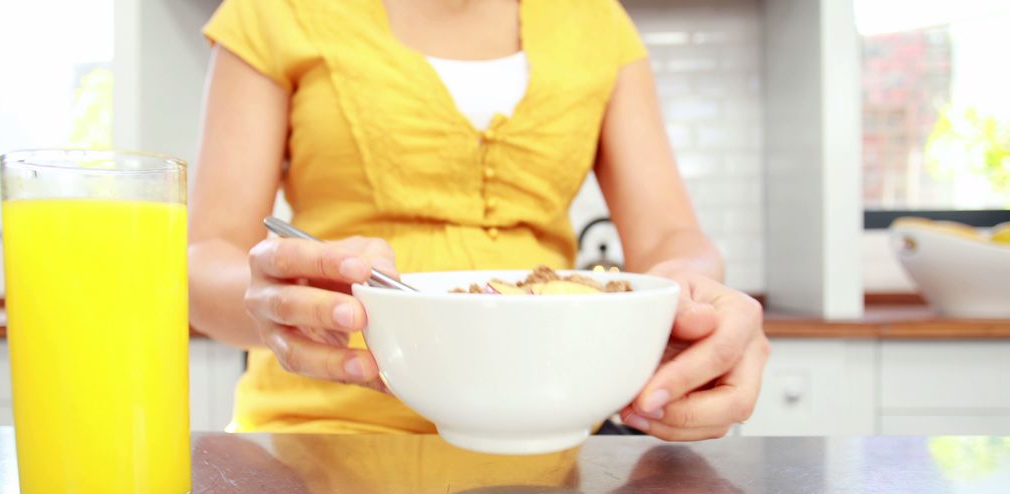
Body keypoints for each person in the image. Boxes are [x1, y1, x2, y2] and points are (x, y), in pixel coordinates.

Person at [188, 0, 769, 441]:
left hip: (551, 435)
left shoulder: (597, 20)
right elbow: (204, 257)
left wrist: (694, 295)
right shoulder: (271, 13)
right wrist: (277, 298)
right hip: (318, 441)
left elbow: (673, 237)